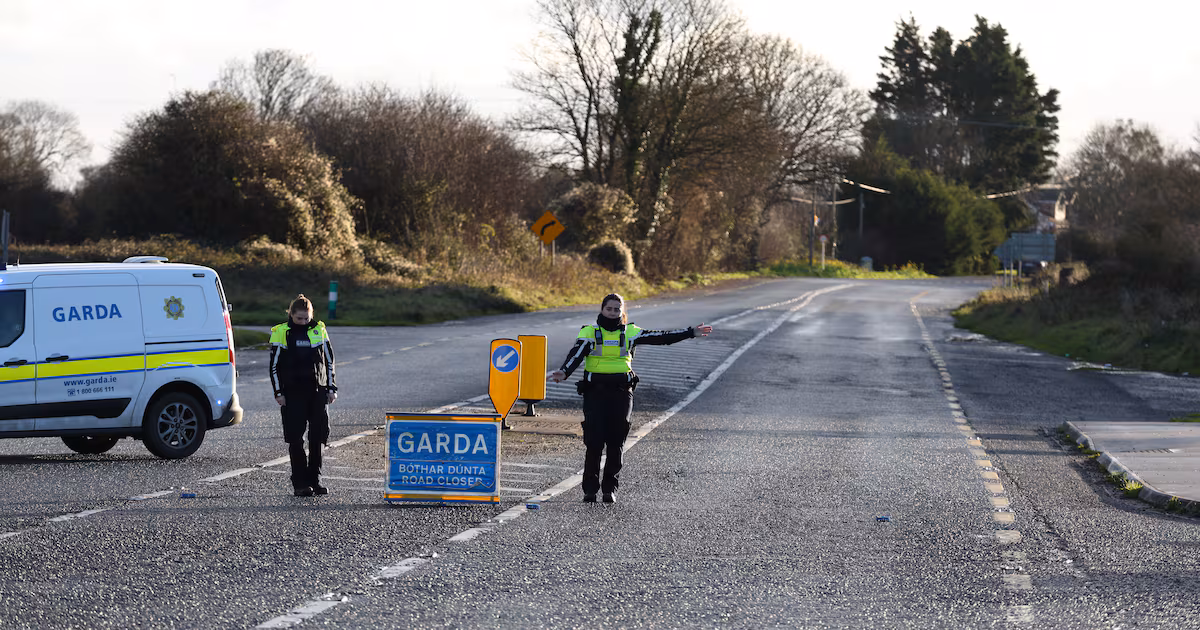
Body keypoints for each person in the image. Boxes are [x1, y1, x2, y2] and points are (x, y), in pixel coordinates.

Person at [549, 293, 712, 504]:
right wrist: (564, 372)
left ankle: (609, 489)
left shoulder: (631, 332)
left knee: (617, 441)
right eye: (609, 309)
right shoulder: (589, 332)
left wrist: (691, 332)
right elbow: (576, 354)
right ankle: (590, 489)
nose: (613, 313)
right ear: (602, 309)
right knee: (595, 442)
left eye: (617, 309)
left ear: (622, 312)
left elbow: (661, 337)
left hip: (621, 391)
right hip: (595, 392)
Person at [268, 294, 338, 497]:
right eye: (299, 319)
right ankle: (300, 482)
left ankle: (315, 480)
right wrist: (278, 393)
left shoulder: (319, 329)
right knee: (296, 439)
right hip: (293, 394)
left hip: (318, 391)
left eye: (307, 319)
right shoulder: (282, 332)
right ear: (291, 315)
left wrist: (332, 388)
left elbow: (329, 361)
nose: (304, 322)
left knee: (318, 438)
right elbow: (274, 366)